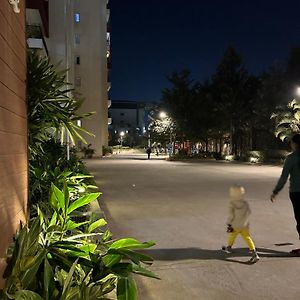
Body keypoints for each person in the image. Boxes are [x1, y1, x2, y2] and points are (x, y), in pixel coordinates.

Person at [271, 133, 300, 254]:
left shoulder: (291, 158)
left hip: (297, 193)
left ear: (295, 144)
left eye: (292, 143)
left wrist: (275, 191)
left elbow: (284, 178)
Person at [222, 184, 260, 263]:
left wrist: (229, 223)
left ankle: (229, 247)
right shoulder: (245, 203)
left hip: (235, 225)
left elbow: (231, 215)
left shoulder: (232, 204)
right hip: (244, 225)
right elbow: (249, 212)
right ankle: (254, 253)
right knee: (247, 238)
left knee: (232, 235)